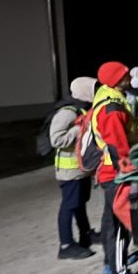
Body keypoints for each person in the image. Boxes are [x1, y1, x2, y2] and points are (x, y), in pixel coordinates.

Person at [91, 61, 138, 274]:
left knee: (110, 219)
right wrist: (128, 172)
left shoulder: (106, 97)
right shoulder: (112, 109)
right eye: (125, 76)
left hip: (109, 171)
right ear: (116, 80)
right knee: (120, 225)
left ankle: (110, 262)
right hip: (116, 173)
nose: (129, 79)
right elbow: (118, 147)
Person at [49, 76, 99, 259]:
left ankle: (86, 234)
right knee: (69, 206)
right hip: (69, 170)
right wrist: (79, 130)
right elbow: (56, 139)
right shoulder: (67, 112)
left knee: (80, 203)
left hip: (80, 168)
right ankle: (66, 245)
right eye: (93, 89)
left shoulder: (82, 109)